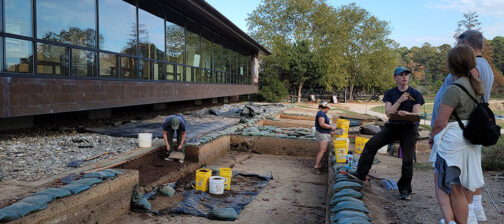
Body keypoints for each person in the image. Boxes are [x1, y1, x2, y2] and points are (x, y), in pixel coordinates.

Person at [431, 30, 493, 223]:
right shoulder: (478, 83)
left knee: (446, 183)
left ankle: (453, 219)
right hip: (469, 135)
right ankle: (468, 217)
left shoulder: (456, 87)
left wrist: (432, 136)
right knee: (462, 182)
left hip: (451, 137)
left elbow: (442, 121)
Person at [350, 67, 424, 200]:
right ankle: (360, 174)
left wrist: (407, 114)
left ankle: (405, 190)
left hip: (409, 129)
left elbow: (416, 114)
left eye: (406, 75)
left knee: (407, 160)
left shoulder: (416, 94)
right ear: (395, 78)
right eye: (401, 75)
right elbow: (388, 112)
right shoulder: (390, 93)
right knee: (371, 145)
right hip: (393, 127)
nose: (404, 77)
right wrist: (400, 101)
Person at [313, 101, 336, 175]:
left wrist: (330, 128)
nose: (328, 110)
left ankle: (319, 166)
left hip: (323, 133)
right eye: (328, 108)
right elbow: (322, 124)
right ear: (325, 107)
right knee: (322, 150)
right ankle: (316, 167)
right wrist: (331, 127)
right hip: (322, 134)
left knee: (321, 150)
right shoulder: (321, 113)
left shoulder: (322, 113)